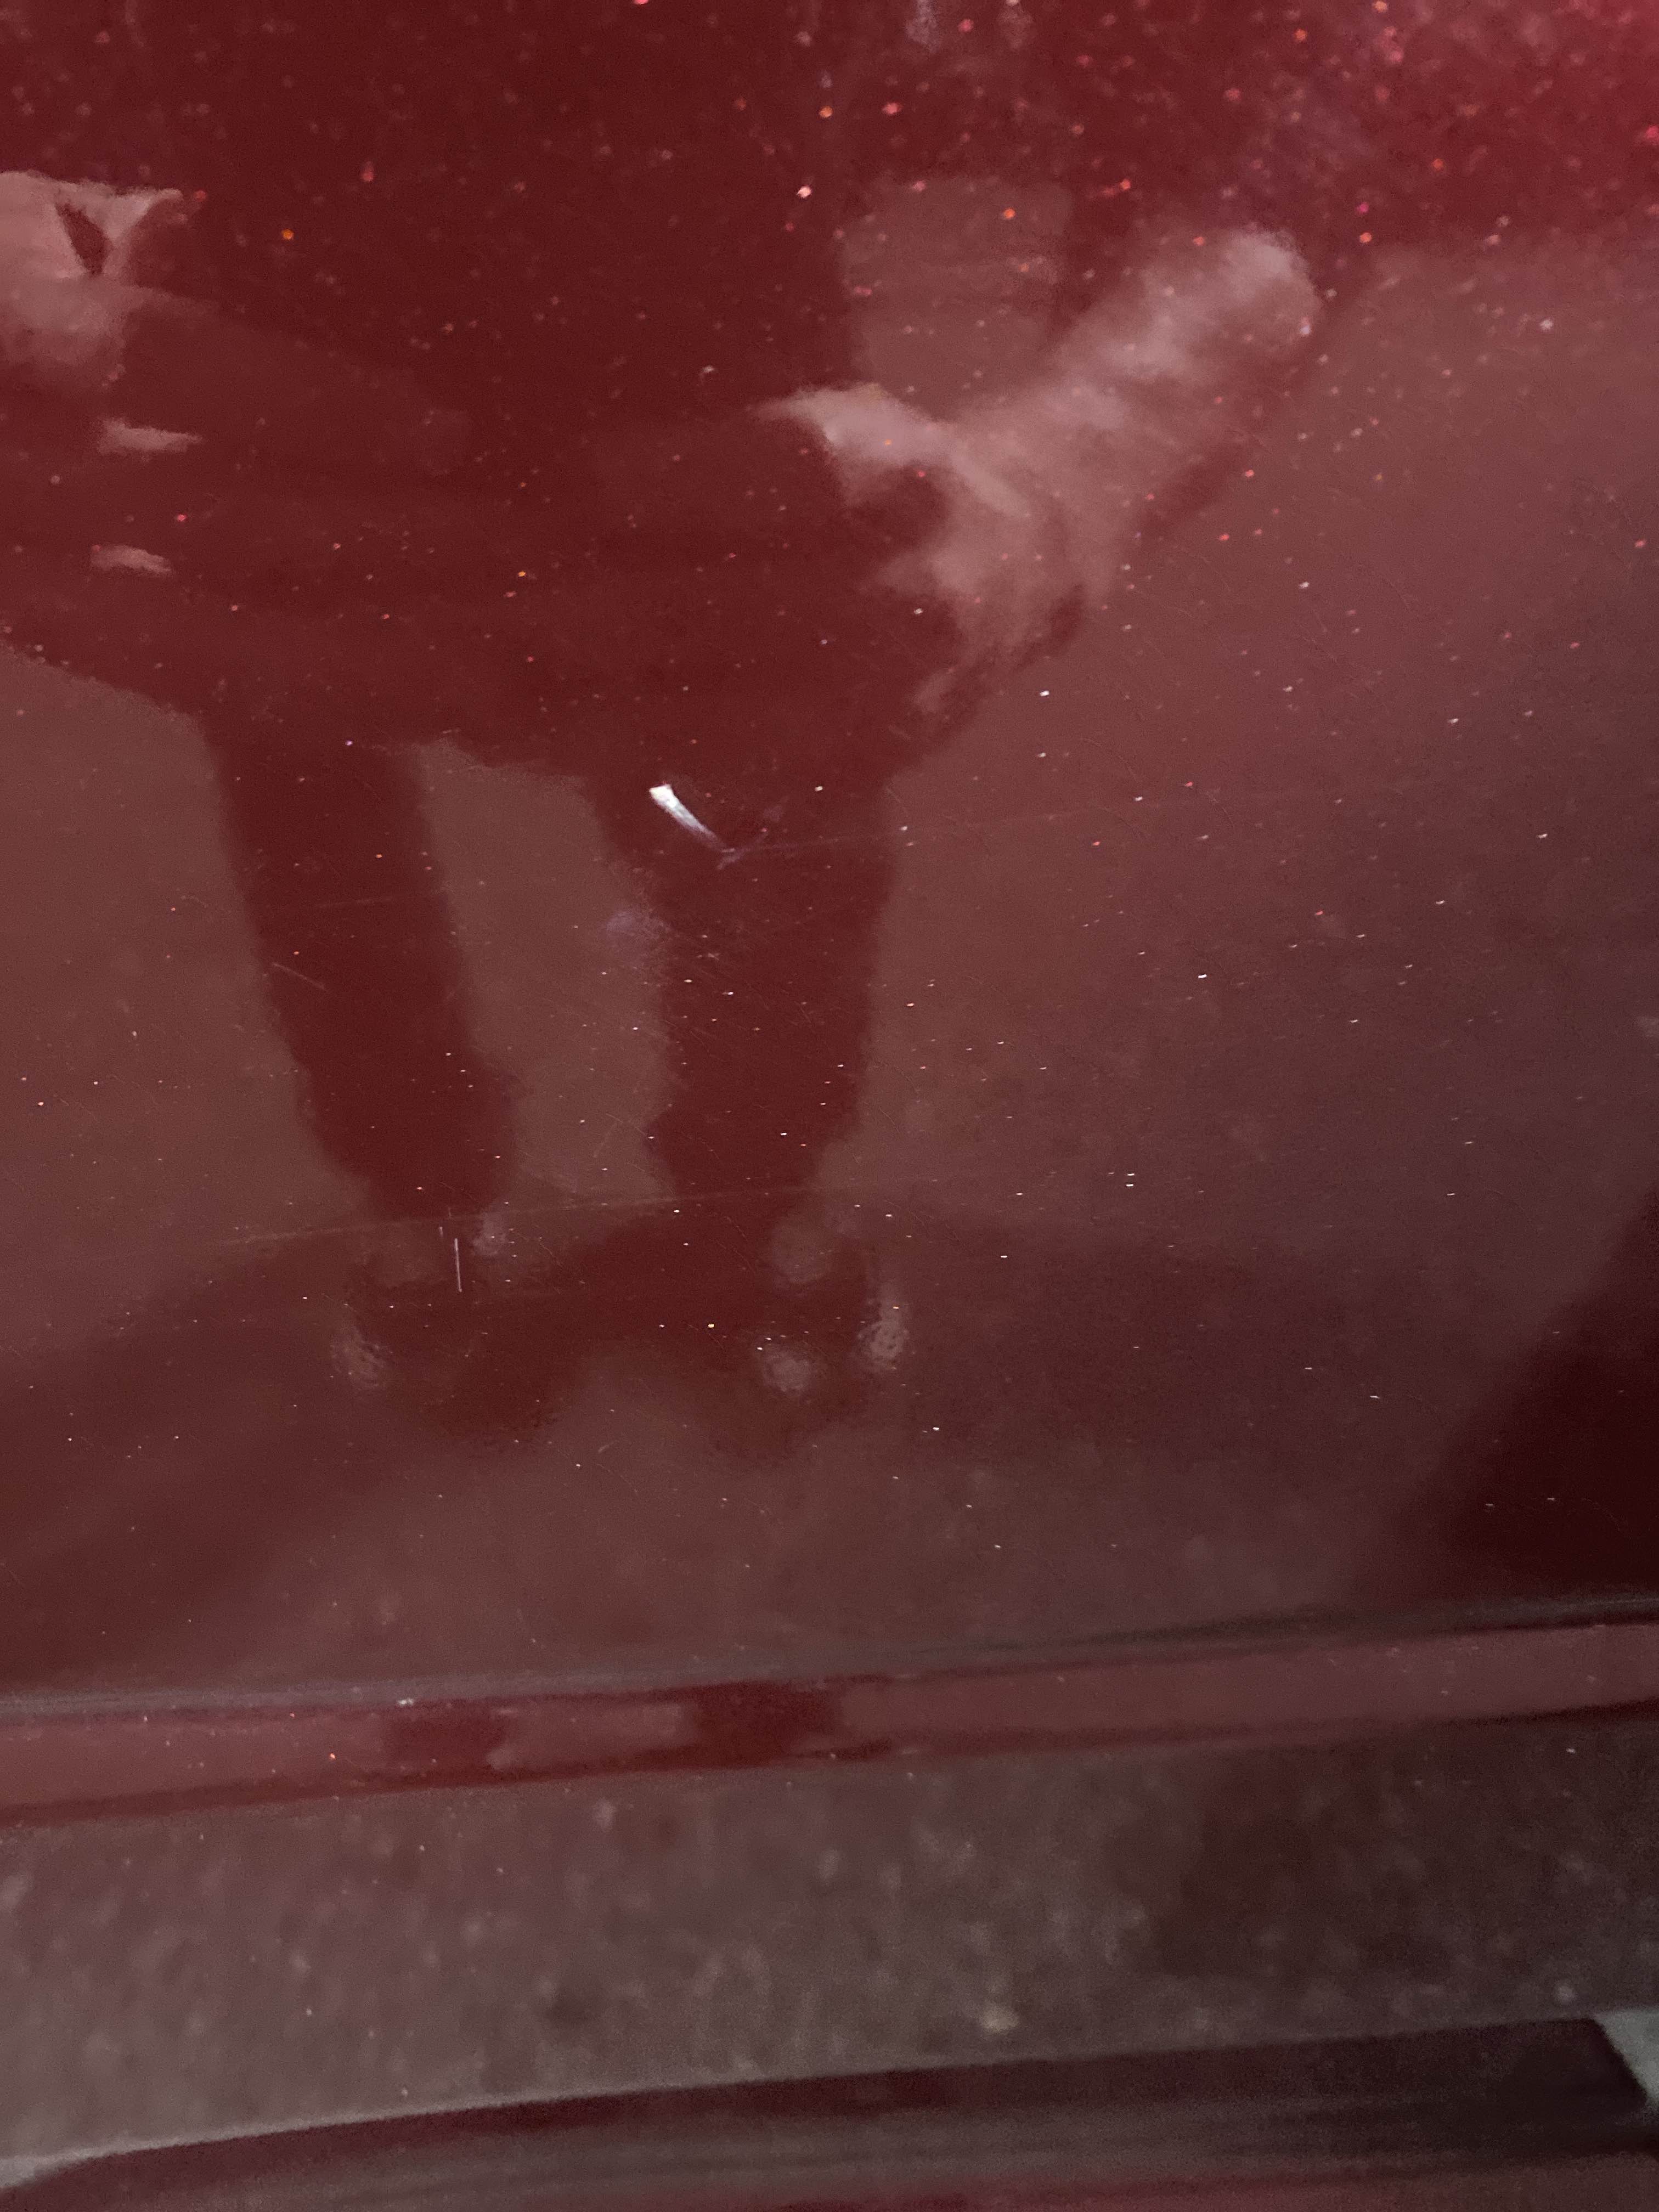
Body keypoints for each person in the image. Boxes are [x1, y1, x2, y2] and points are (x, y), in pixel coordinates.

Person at [0, 0, 1650, 1426]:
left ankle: (722, 1204)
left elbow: (1305, 51)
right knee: (377, 828)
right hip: (299, 333)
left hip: (661, 348)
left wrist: (1082, 465)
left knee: (747, 842)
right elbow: (1313, 67)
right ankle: (461, 1193)